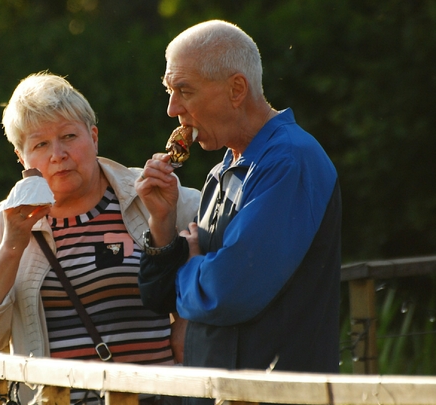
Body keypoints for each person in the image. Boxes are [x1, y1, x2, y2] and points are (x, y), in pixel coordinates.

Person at [0, 72, 200, 403]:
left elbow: (224, 273)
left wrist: (188, 316)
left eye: (69, 136)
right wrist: (12, 247)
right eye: (40, 144)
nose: (58, 154)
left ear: (93, 137)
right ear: (21, 159)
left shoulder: (150, 194)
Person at [135, 20, 341, 404]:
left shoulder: (290, 160)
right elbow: (162, 297)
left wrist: (190, 263)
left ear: (236, 90)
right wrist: (162, 223)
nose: (171, 109)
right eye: (169, 91)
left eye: (184, 91)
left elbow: (227, 292)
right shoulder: (221, 173)